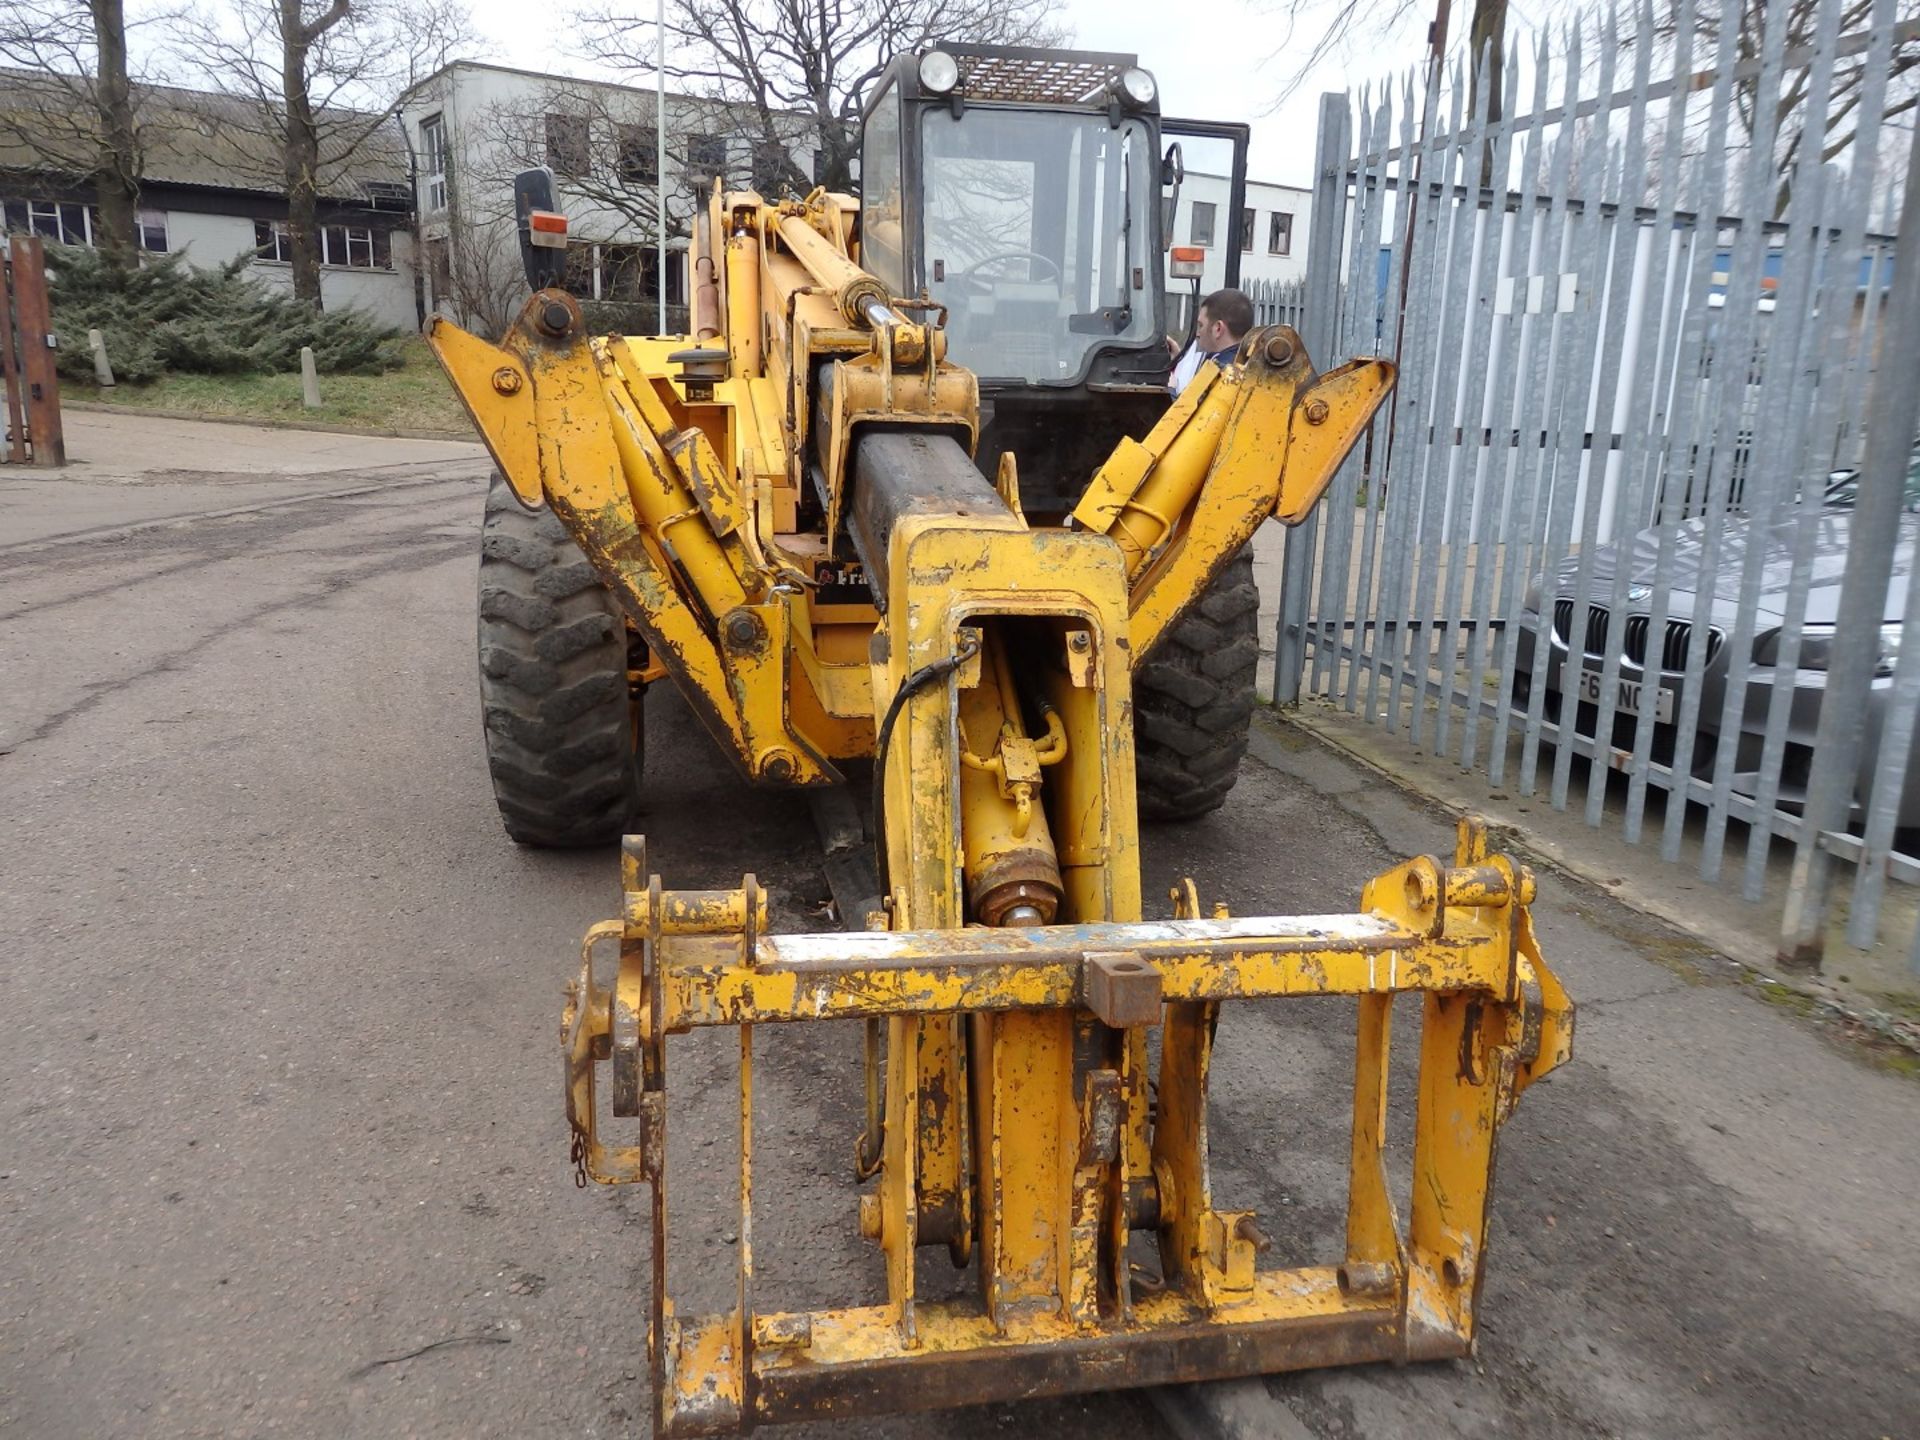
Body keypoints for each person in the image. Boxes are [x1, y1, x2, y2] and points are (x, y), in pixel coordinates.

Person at [1167, 288, 1254, 398]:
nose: (1198, 333)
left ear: (1218, 329)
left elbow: (1190, 413)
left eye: (1201, 325)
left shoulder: (1220, 374)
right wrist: (1178, 361)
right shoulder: (1251, 368)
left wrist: (1171, 389)